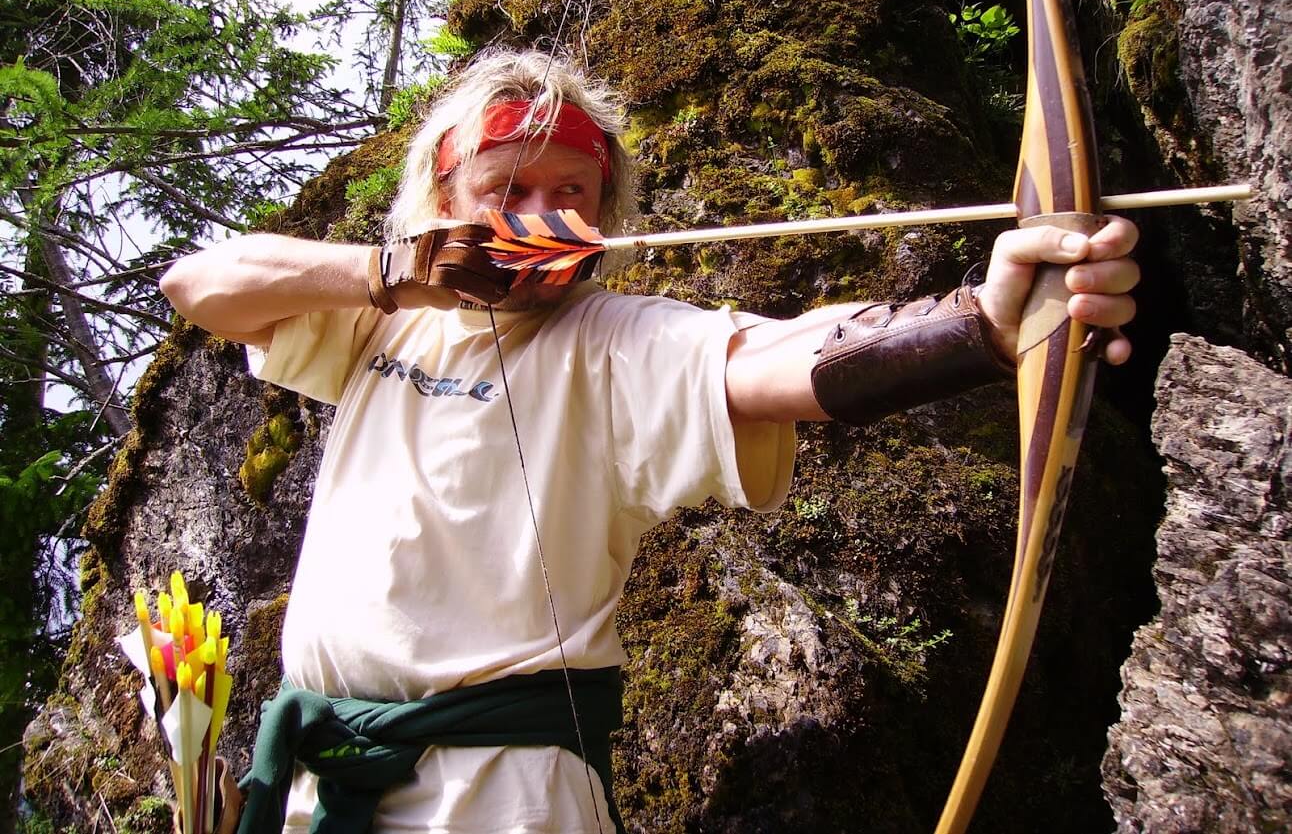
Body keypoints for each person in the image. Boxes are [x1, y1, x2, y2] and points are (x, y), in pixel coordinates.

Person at [159, 49, 1139, 834]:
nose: (542, 215)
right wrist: (390, 272)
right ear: (443, 199)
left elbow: (773, 360)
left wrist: (978, 323)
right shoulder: (381, 322)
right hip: (318, 784)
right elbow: (199, 285)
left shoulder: (614, 343)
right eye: (507, 186)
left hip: (497, 798)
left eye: (571, 190)